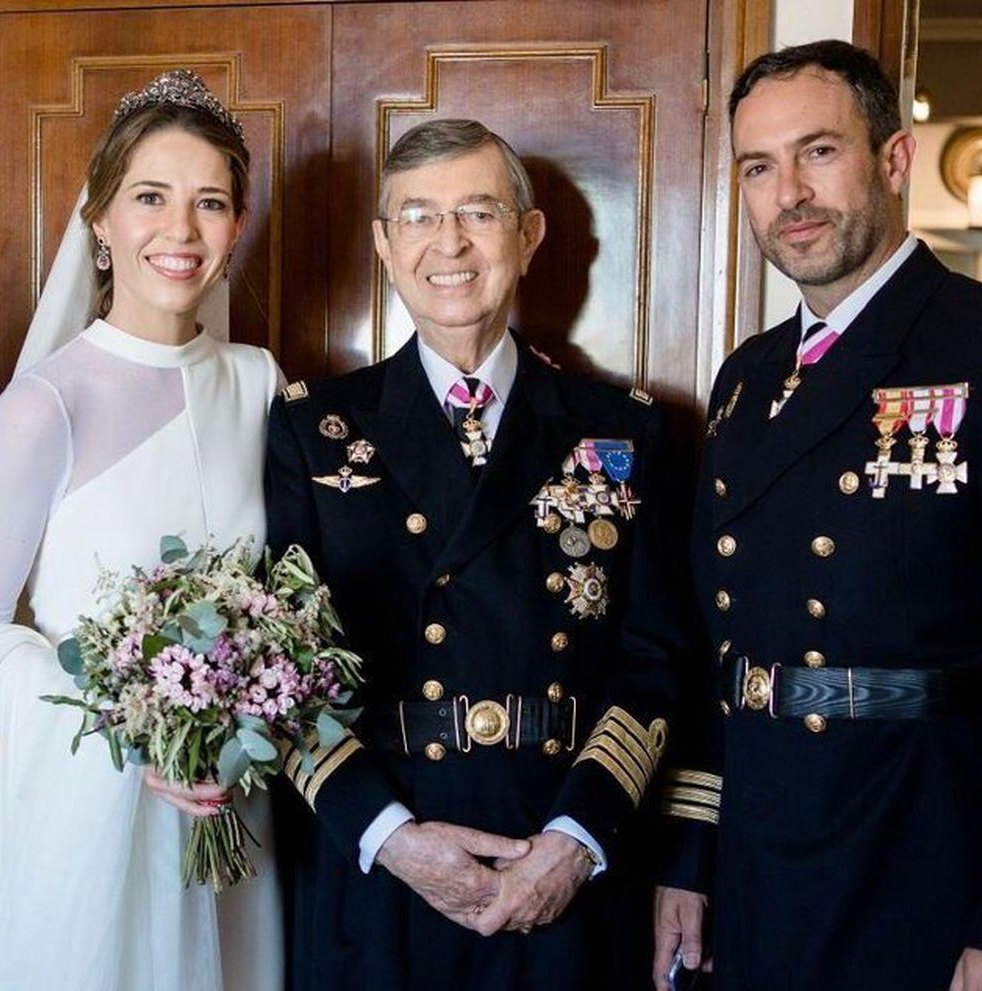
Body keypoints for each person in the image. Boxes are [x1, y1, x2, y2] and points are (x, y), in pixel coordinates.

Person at [652, 40, 982, 991]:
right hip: (758, 861)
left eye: (819, 152)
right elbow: (722, 650)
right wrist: (689, 854)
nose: (788, 192)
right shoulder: (747, 379)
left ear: (893, 159)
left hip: (931, 859)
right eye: (759, 167)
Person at [265, 118, 692, 989]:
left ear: (528, 237)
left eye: (478, 213)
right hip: (379, 866)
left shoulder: (622, 429)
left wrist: (575, 841)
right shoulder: (314, 428)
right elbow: (279, 670)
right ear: (385, 246)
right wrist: (388, 835)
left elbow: (657, 664)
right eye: (417, 216)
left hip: (563, 855)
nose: (448, 243)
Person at [0, 69, 284, 991]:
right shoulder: (45, 406)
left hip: (230, 812)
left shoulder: (261, 386)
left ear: (237, 226)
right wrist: (137, 730)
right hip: (88, 818)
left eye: (210, 203)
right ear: (99, 219)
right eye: (150, 198)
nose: (181, 230)